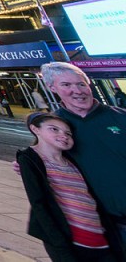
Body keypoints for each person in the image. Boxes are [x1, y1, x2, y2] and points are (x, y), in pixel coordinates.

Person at [35, 62, 126, 248]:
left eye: (81, 84)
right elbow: (45, 161)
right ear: (52, 88)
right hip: (101, 224)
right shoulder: (53, 128)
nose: (77, 90)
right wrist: (25, 165)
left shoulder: (120, 117)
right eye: (66, 85)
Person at [17, 112, 121, 261]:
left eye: (68, 133)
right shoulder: (30, 159)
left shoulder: (73, 160)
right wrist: (58, 243)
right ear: (35, 129)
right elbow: (38, 203)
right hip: (70, 240)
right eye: (54, 129)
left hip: (99, 238)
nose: (64, 135)